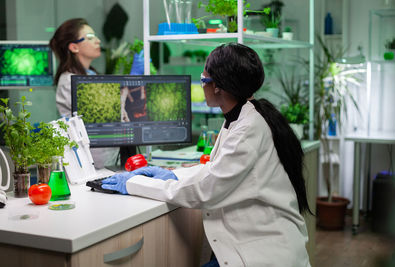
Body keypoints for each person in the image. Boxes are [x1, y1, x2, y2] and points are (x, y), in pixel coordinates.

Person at [102, 43, 311, 267]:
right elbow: (217, 169)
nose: (202, 86)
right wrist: (172, 175)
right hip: (255, 243)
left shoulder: (248, 127)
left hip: (263, 254)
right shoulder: (243, 116)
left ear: (218, 86)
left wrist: (134, 183)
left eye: (203, 80)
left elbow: (205, 191)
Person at [50, 18, 117, 169]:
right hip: (88, 160)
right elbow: (101, 113)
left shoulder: (91, 74)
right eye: (91, 37)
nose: (98, 41)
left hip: (107, 158)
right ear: (74, 47)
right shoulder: (69, 80)